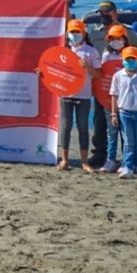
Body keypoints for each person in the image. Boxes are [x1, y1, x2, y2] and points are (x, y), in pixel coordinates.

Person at [59, 19, 99, 172]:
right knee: (66, 126)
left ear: (84, 33)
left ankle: (84, 162)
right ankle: (65, 160)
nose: (75, 35)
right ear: (67, 33)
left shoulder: (91, 51)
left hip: (84, 95)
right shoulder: (63, 49)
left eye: (78, 32)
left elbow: (98, 74)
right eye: (72, 32)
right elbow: (53, 70)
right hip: (66, 94)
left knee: (83, 127)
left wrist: (87, 66)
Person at [110, 46, 137, 179]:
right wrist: (113, 113)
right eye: (127, 59)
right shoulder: (118, 76)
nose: (130, 61)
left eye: (133, 59)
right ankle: (128, 166)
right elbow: (114, 95)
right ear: (122, 60)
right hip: (124, 113)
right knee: (128, 141)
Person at [93, 24, 128, 172]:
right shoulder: (106, 54)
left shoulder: (130, 53)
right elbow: (103, 76)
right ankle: (110, 159)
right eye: (112, 39)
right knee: (111, 130)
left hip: (127, 99)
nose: (116, 41)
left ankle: (127, 161)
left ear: (125, 39)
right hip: (110, 99)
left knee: (126, 132)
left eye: (119, 38)